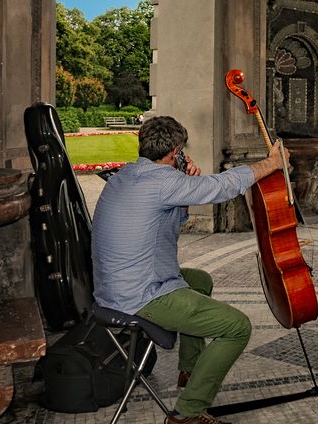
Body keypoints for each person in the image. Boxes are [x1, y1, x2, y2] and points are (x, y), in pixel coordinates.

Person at [92, 115, 288, 424]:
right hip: (139, 294)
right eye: (181, 151)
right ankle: (188, 414)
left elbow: (165, 225)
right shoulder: (163, 181)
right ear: (175, 152)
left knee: (199, 280)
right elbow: (222, 187)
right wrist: (271, 163)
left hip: (118, 285)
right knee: (236, 327)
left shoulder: (127, 175)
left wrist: (183, 192)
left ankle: (191, 370)